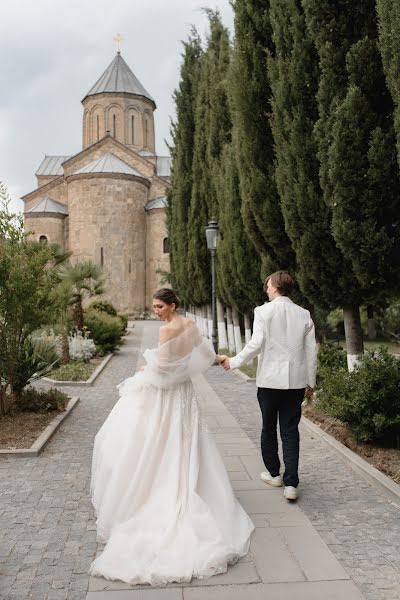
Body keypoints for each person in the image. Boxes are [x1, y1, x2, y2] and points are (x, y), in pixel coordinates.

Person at [89, 288, 254, 585]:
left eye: (159, 306)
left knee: (159, 439)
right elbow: (203, 352)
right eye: (153, 306)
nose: (156, 311)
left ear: (172, 305)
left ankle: (166, 492)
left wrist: (144, 371)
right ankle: (184, 481)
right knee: (183, 440)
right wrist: (220, 359)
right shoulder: (190, 325)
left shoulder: (167, 332)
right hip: (185, 395)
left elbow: (163, 370)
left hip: (167, 396)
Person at [218, 271, 317, 501]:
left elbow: (255, 344)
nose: (266, 289)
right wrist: (310, 382)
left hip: (270, 381)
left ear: (276, 287)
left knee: (268, 427)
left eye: (268, 286)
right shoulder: (304, 314)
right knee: (290, 431)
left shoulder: (263, 311)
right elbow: (311, 352)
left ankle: (275, 474)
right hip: (295, 382)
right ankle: (291, 484)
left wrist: (233, 362)